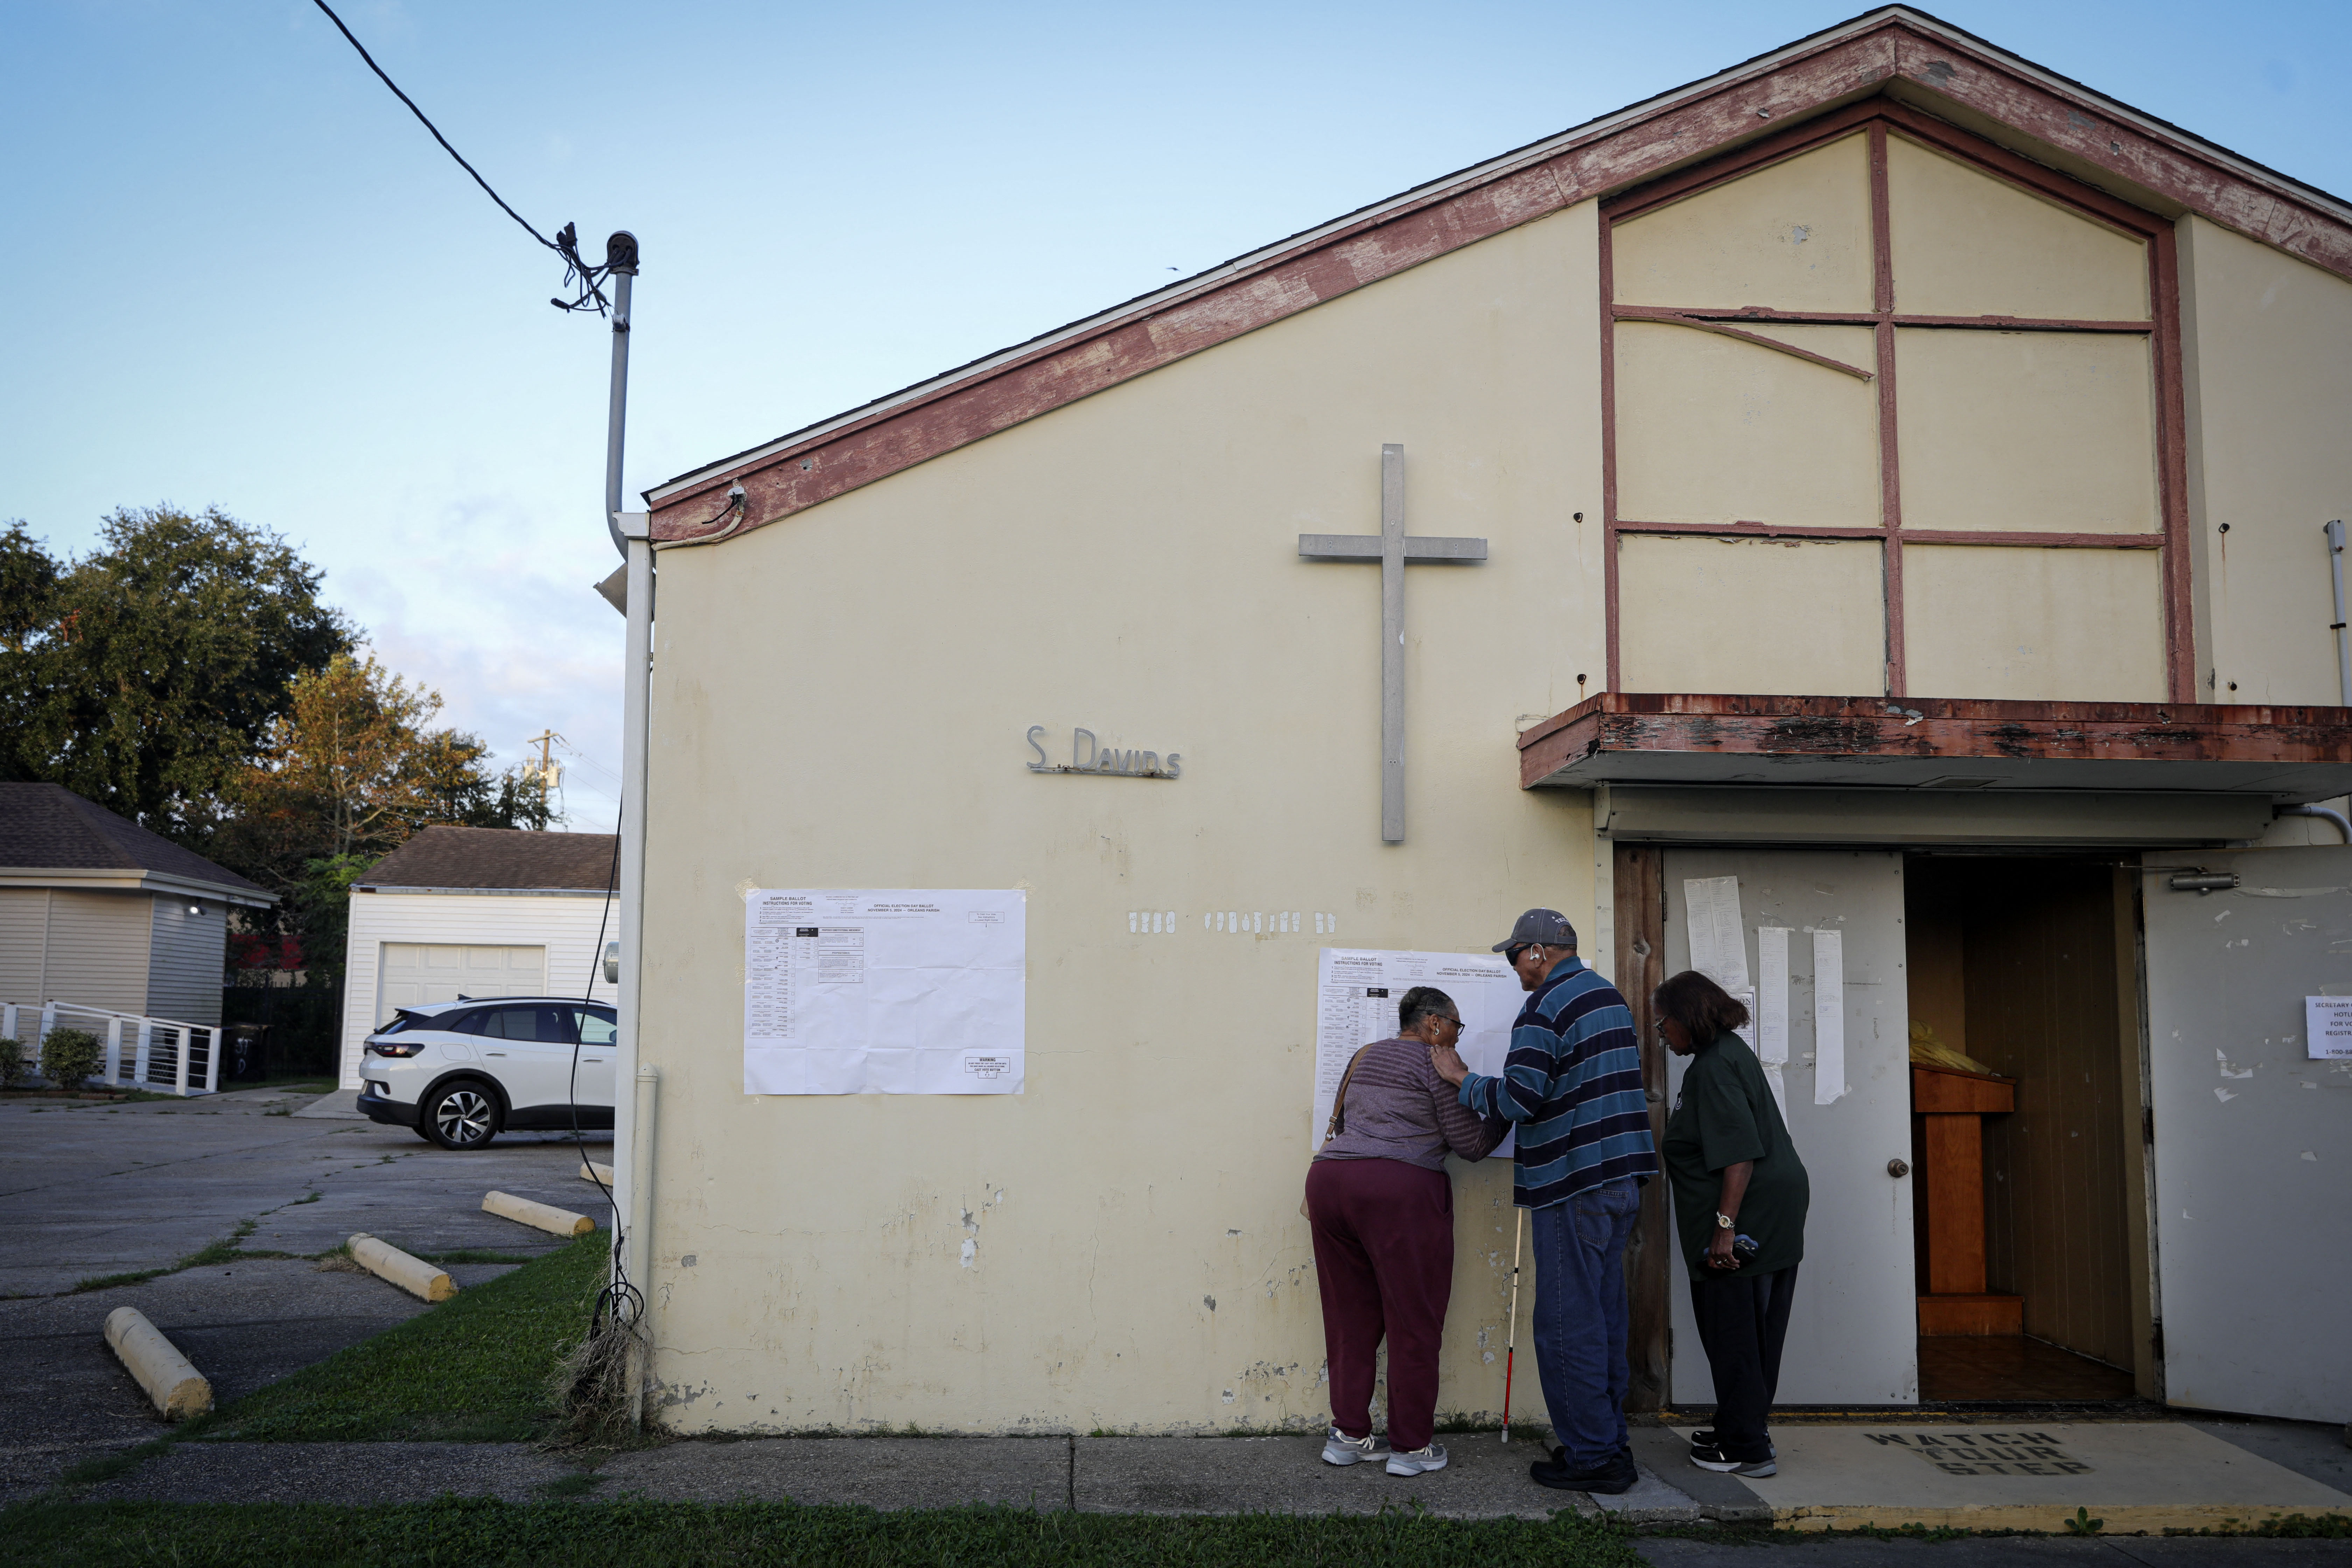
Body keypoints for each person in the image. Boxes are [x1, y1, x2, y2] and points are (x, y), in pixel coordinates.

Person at [1430, 909, 1657, 1495]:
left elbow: (1520, 1100)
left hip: (1573, 1182)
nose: (1514, 968)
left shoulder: (1545, 1006)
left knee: (1564, 1325)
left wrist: (1461, 1079)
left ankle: (1594, 1458)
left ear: (1539, 952)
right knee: (1604, 1318)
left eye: (1515, 956)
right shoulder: (1606, 995)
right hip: (1621, 1182)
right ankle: (1608, 1441)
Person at [1305, 985, 1505, 1478]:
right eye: (1457, 1026)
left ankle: (1348, 1436)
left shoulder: (1364, 1056)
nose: (1459, 1036)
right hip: (1399, 1190)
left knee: (1349, 1317)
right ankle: (1411, 1448)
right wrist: (1504, 1107)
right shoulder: (1437, 1065)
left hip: (1331, 1184)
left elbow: (1348, 1119)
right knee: (1414, 1321)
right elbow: (1472, 1144)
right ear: (1434, 1024)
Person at [1653, 969, 1808, 1479]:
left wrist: (1724, 1227)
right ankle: (1738, 1424)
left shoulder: (1713, 1068)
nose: (1662, 1033)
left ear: (1687, 1019)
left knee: (1734, 1330)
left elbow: (1739, 1154)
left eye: (1665, 1023)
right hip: (1772, 1210)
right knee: (1756, 1328)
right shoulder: (1726, 1055)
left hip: (1747, 1218)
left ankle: (1746, 1447)